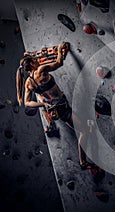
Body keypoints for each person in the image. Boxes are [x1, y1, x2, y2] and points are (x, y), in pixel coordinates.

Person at [16, 41, 92, 170]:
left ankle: (51, 124)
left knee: (78, 127)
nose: (37, 60)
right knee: (84, 131)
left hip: (53, 109)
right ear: (33, 63)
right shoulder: (41, 70)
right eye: (35, 60)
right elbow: (59, 63)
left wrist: (43, 103)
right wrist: (60, 50)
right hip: (61, 106)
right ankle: (82, 162)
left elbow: (27, 102)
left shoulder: (28, 83)